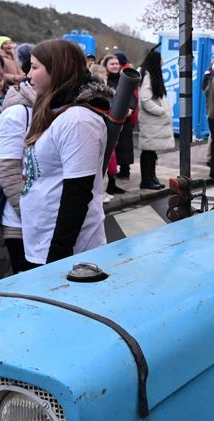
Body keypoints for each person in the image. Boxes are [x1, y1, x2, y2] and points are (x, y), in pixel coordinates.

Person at [21, 39, 112, 265]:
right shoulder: (55, 111)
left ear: (57, 69)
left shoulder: (78, 120)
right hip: (42, 244)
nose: (28, 75)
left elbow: (77, 194)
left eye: (34, 67)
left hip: (69, 254)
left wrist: (57, 257)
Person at [0, 79, 36, 273]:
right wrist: (30, 216)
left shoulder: (48, 109)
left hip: (40, 220)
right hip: (21, 224)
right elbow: (8, 170)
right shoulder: (17, 113)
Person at [138, 50, 173, 189]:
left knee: (151, 152)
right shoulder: (148, 76)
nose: (163, 61)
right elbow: (145, 99)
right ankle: (147, 180)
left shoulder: (151, 74)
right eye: (161, 59)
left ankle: (151, 178)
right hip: (152, 121)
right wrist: (162, 111)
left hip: (153, 122)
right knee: (148, 152)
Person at [103, 53, 136, 186]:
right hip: (111, 119)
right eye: (112, 64)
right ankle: (111, 176)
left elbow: (133, 97)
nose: (115, 66)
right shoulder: (104, 80)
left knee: (125, 145)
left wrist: (130, 109)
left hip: (125, 118)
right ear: (106, 65)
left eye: (117, 63)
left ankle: (125, 170)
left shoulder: (124, 78)